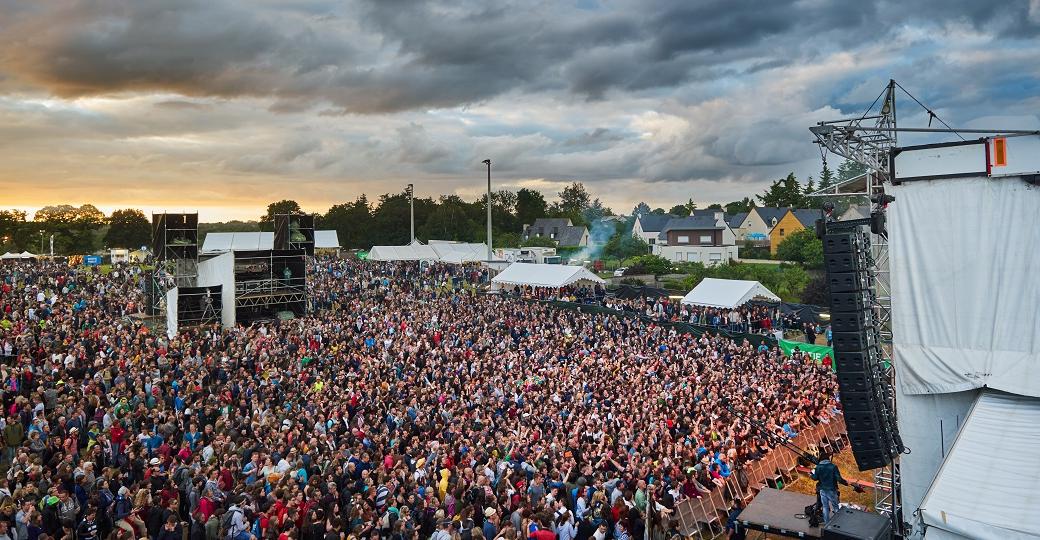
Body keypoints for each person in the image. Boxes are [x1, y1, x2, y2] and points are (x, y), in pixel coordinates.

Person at [810, 452, 849, 523]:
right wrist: (846, 483)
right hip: (831, 490)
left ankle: (826, 523)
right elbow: (839, 479)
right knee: (836, 506)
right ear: (828, 459)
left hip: (822, 490)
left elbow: (815, 478)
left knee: (825, 507)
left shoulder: (818, 467)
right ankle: (838, 522)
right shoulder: (833, 467)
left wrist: (811, 475)